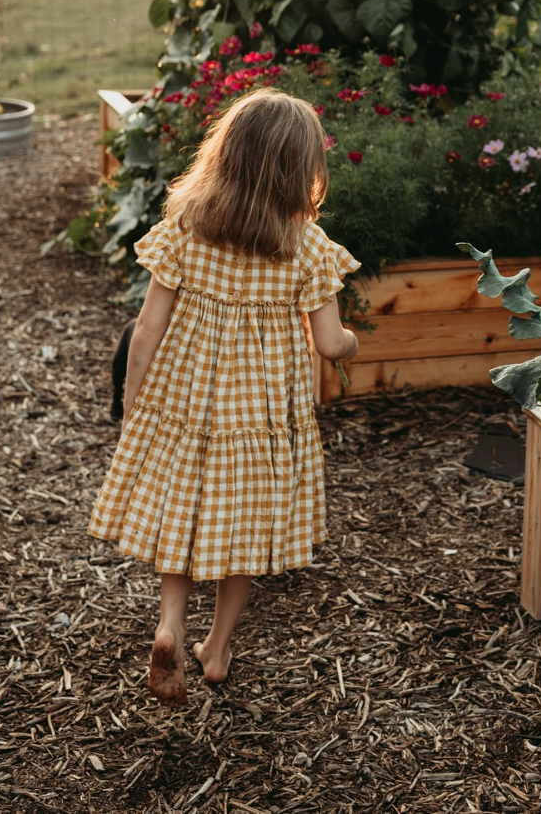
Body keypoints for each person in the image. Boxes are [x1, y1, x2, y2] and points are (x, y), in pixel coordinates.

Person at [89, 88, 360, 705]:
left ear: (225, 156)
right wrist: (350, 346)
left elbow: (148, 328)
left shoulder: (185, 228)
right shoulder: (307, 248)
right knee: (247, 521)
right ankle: (216, 646)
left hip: (187, 402)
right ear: (301, 171)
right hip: (261, 415)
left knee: (183, 511)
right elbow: (328, 342)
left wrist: (135, 400)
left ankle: (170, 624)